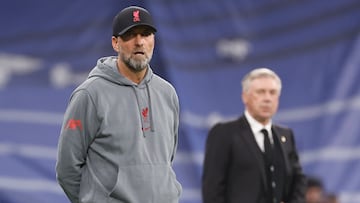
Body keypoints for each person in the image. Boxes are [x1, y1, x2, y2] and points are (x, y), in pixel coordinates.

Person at [56, 6, 182, 203]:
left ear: (153, 40)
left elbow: (166, 159)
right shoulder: (90, 94)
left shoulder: (167, 93)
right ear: (115, 43)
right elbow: (67, 168)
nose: (139, 42)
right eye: (130, 35)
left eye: (146, 34)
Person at [202, 68, 306, 203]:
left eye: (272, 93)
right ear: (245, 97)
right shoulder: (224, 133)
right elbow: (212, 189)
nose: (267, 98)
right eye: (260, 92)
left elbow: (298, 179)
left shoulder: (286, 136)